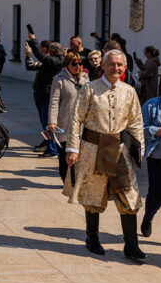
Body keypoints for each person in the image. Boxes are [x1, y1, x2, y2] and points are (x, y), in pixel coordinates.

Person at [65, 50, 146, 260]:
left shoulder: (129, 91)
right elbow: (75, 119)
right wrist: (73, 149)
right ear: (103, 66)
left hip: (119, 151)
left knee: (130, 198)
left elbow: (136, 121)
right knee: (92, 196)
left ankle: (131, 245)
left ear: (125, 67)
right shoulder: (90, 89)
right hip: (93, 149)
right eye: (111, 64)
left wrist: (139, 150)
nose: (116, 68)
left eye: (120, 65)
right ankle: (92, 238)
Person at [140, 68, 161, 240]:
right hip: (158, 157)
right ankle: (148, 217)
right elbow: (141, 129)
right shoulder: (151, 104)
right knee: (157, 194)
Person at [48, 52, 89, 181]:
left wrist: (81, 80)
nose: (78, 66)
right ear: (67, 64)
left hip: (82, 123)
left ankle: (76, 181)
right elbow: (54, 102)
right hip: (65, 122)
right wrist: (52, 122)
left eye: (80, 64)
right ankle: (65, 178)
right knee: (65, 153)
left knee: (81, 154)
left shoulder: (85, 78)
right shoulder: (59, 79)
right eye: (74, 64)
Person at [26, 35, 64, 158]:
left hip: (47, 95)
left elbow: (39, 55)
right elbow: (31, 65)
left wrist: (32, 42)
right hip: (46, 94)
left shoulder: (53, 61)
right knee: (47, 123)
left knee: (47, 123)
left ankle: (52, 149)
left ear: (51, 51)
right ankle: (51, 147)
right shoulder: (58, 60)